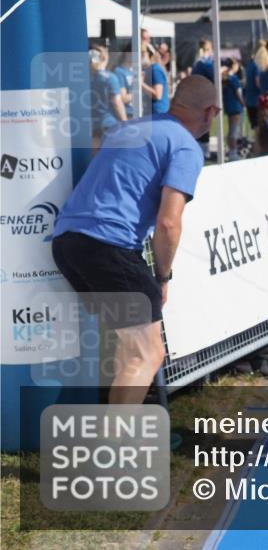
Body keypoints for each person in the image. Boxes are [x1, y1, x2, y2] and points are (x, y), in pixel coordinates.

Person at [51, 76, 217, 404]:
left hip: (67, 242)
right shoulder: (185, 146)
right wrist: (163, 277)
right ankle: (113, 451)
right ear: (210, 111)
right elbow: (169, 222)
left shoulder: (129, 128)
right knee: (148, 353)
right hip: (109, 246)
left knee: (130, 348)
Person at [90, 45, 127, 152]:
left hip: (91, 124)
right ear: (104, 58)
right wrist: (124, 122)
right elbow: (116, 102)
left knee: (95, 158)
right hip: (109, 123)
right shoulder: (110, 78)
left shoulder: (85, 78)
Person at [221, 57, 245, 160]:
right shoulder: (233, 79)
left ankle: (231, 150)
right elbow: (238, 93)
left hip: (229, 106)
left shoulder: (224, 78)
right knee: (234, 130)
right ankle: (233, 152)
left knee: (231, 130)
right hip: (235, 107)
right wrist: (243, 104)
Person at [141, 46, 170, 115]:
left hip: (157, 114)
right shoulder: (150, 69)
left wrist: (140, 84)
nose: (140, 56)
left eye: (142, 54)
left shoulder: (155, 69)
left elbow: (157, 95)